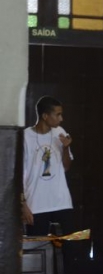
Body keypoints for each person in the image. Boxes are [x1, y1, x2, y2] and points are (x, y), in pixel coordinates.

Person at [22, 95, 74, 239]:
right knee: (38, 249)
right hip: (36, 203)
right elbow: (18, 175)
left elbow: (66, 167)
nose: (61, 119)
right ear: (45, 116)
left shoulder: (60, 132)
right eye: (57, 115)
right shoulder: (25, 137)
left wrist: (65, 148)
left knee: (69, 246)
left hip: (61, 201)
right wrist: (23, 204)